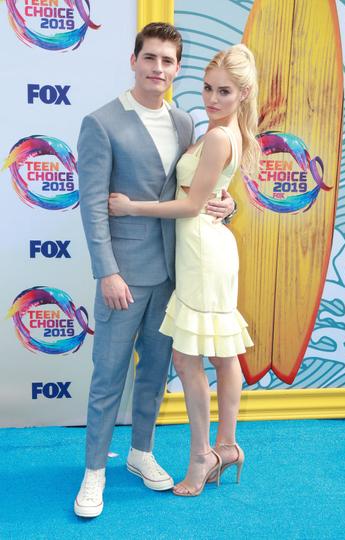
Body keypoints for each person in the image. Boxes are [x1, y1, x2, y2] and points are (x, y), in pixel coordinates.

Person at [75, 22, 235, 517]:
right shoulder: (101, 122)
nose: (158, 69)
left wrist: (226, 206)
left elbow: (196, 194)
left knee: (156, 374)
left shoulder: (188, 123)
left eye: (168, 61)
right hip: (124, 275)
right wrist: (107, 271)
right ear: (134, 60)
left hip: (177, 274)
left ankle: (141, 455)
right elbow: (93, 205)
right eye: (150, 58)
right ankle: (95, 473)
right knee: (108, 376)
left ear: (177, 68)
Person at [108, 43, 259, 497]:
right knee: (221, 354)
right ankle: (227, 447)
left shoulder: (216, 136)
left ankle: (203, 456)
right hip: (204, 248)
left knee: (190, 357)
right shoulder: (221, 131)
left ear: (243, 94)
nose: (212, 99)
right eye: (208, 88)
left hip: (202, 252)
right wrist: (227, 205)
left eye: (225, 92)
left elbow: (193, 204)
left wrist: (132, 207)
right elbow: (209, 196)